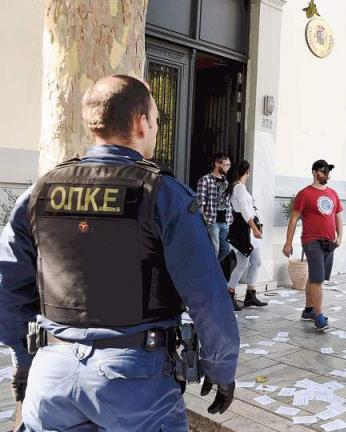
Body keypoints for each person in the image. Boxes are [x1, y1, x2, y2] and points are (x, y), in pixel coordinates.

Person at [0, 75, 239, 431]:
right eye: (157, 121)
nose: (157, 130)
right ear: (141, 122)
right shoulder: (164, 195)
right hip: (136, 383)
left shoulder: (40, 192)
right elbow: (207, 294)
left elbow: (7, 288)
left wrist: (24, 358)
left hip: (51, 375)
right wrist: (221, 368)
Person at [282, 160, 343, 332]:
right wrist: (288, 242)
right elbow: (293, 219)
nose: (327, 175)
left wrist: (340, 237)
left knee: (315, 277)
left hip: (329, 242)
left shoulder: (333, 193)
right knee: (317, 279)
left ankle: (309, 310)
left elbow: (338, 215)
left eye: (328, 171)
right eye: (324, 171)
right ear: (315, 172)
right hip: (312, 240)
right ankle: (319, 316)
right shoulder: (304, 194)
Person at [225, 160, 268, 310]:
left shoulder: (240, 188)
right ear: (247, 172)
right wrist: (255, 229)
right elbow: (244, 212)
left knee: (256, 262)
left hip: (249, 231)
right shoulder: (239, 189)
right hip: (244, 232)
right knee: (242, 264)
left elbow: (250, 210)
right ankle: (229, 294)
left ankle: (251, 294)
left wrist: (256, 227)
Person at [197, 153, 233, 260]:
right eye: (226, 165)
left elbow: (227, 201)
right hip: (212, 221)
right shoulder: (205, 180)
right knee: (215, 249)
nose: (228, 167)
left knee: (226, 249)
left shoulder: (226, 181)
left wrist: (230, 214)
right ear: (217, 164)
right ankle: (212, 272)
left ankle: (211, 268)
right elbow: (200, 201)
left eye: (229, 165)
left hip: (225, 221)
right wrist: (202, 219)